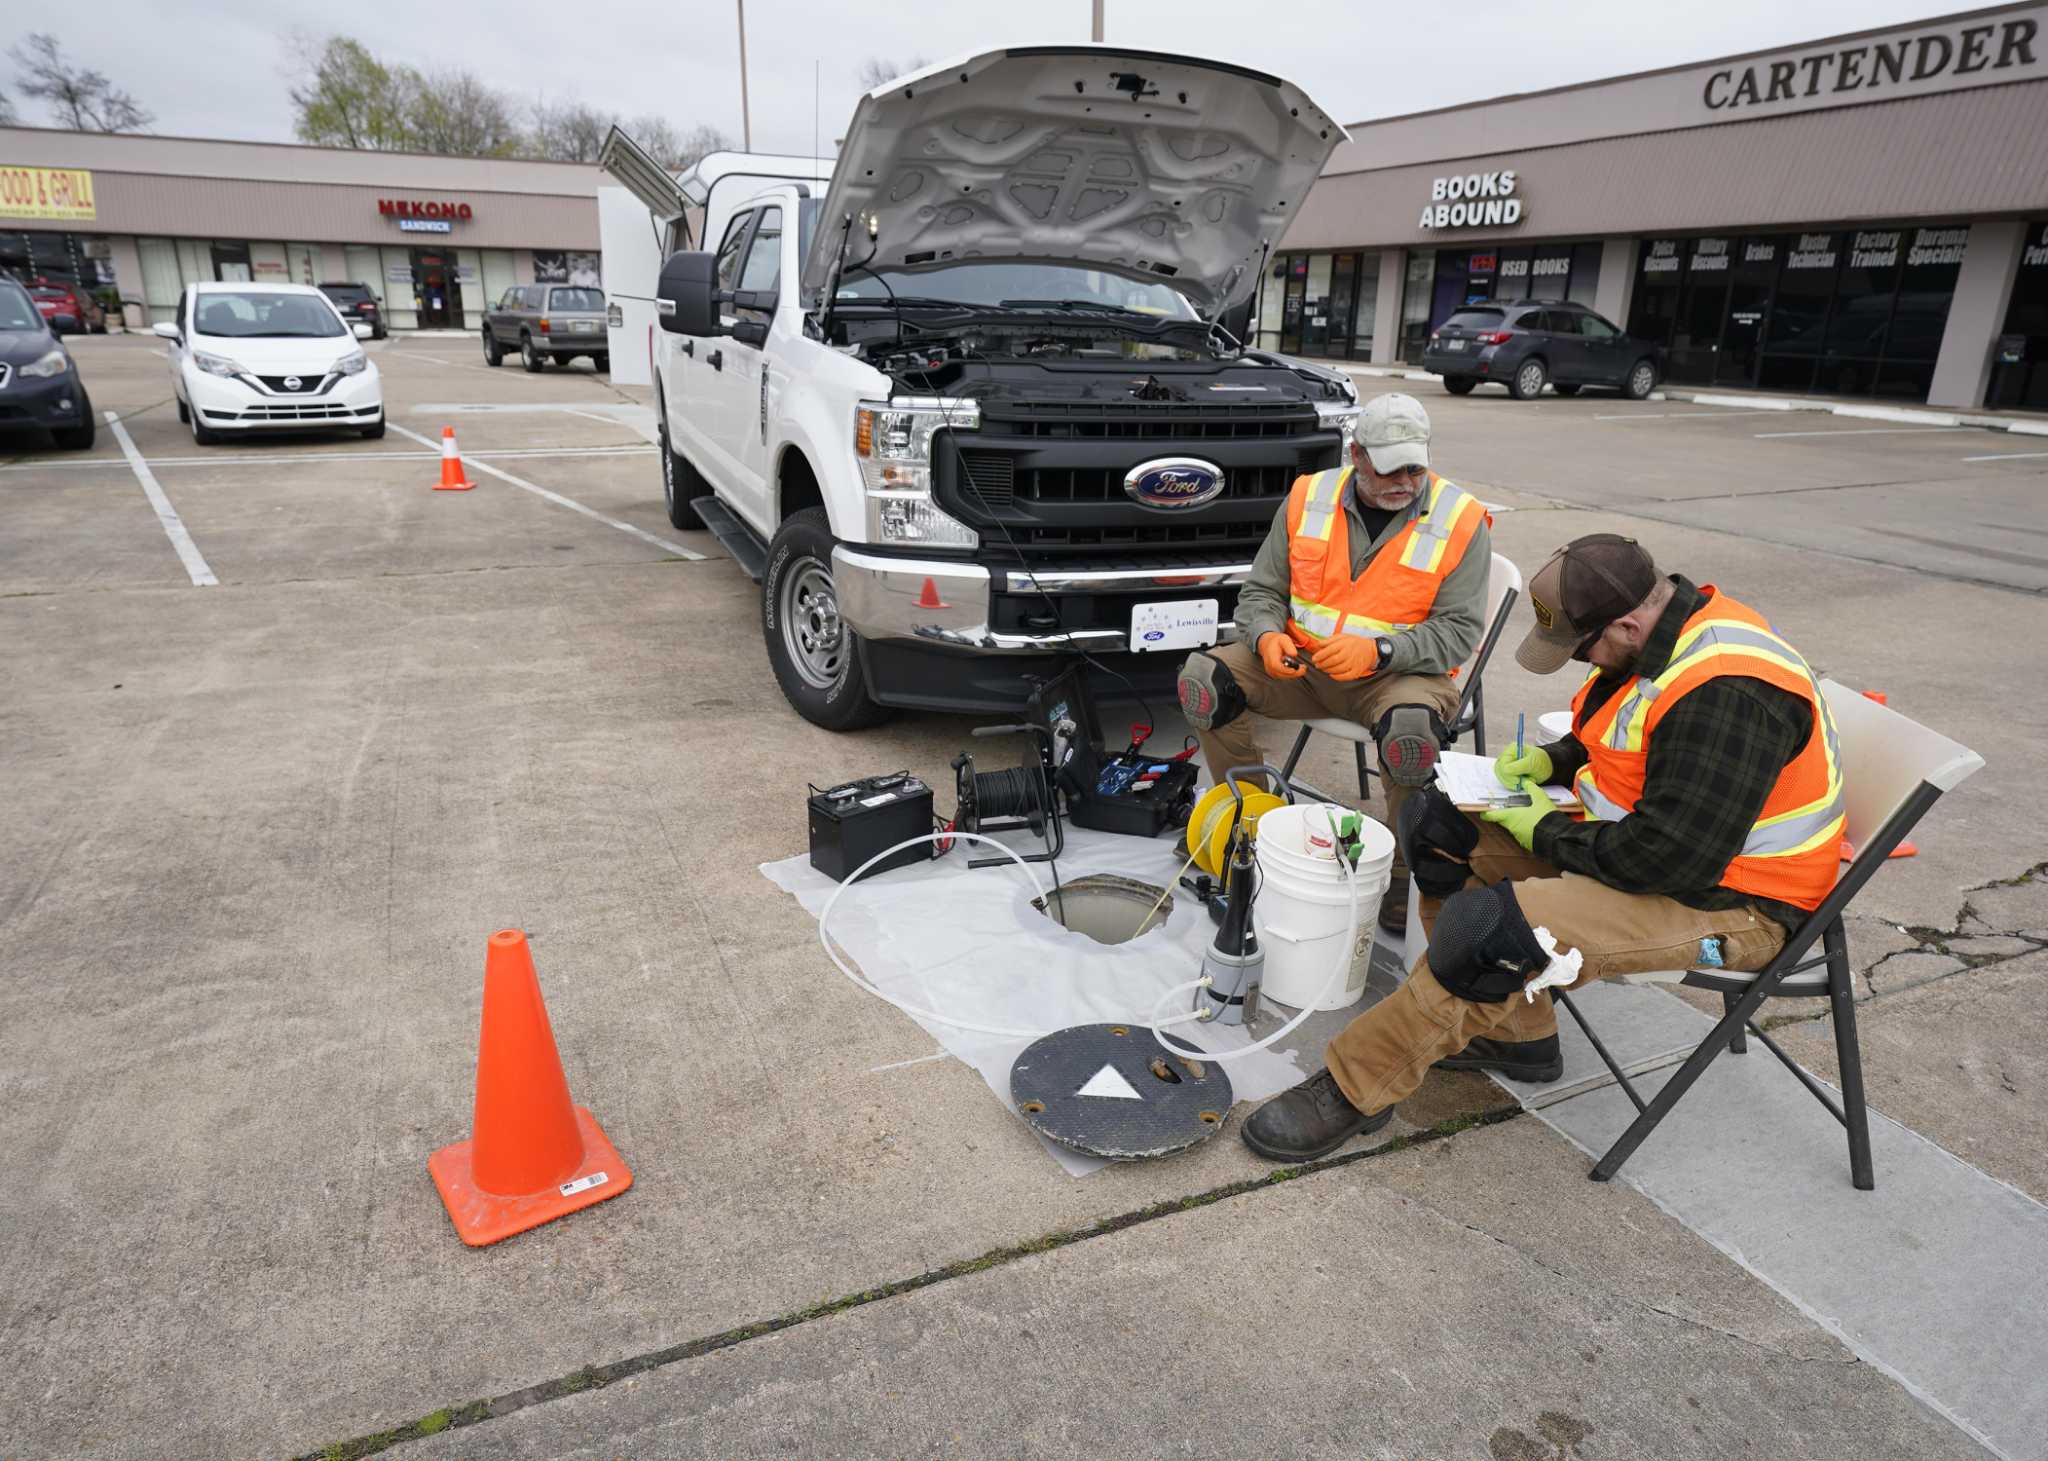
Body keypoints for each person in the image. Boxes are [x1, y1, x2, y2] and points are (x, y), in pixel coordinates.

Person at [1239, 533, 1845, 1162]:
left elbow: (1665, 860)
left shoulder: (1728, 692)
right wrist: (1554, 759)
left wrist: (1544, 831)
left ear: (1630, 624)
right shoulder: (1665, 638)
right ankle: (1518, 1035)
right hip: (1669, 856)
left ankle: (1356, 1085)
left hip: (1735, 901)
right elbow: (1638, 751)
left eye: (1581, 648)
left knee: (1494, 931)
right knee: (1438, 825)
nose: (1580, 660)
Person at [1176, 393, 1491, 934]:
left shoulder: (1461, 519)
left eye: (1416, 466)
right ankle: (1255, 828)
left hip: (1397, 681)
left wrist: (1381, 651)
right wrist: (1267, 635)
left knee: (1409, 741)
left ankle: (1398, 874)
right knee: (1205, 681)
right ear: (1356, 455)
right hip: (1302, 666)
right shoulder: (1308, 497)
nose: (1405, 481)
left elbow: (1459, 633)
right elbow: (1261, 592)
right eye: (1390, 468)